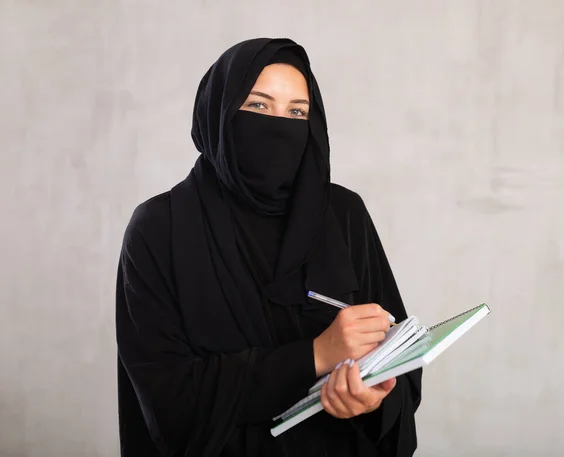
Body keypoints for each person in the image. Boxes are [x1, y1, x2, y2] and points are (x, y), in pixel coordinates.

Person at [116, 37, 422, 457]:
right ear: (217, 114)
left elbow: (400, 360)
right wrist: (315, 355)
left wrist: (375, 396)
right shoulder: (160, 229)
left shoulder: (343, 213)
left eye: (297, 112)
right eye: (258, 106)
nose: (280, 126)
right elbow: (168, 404)